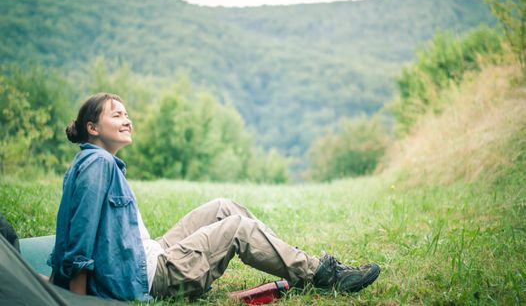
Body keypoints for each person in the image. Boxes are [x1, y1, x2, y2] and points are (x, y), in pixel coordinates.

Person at [48, 92, 380, 301]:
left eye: (126, 113)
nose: (128, 120)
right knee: (237, 228)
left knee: (224, 207)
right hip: (148, 275)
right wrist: (77, 299)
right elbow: (79, 236)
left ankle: (299, 264)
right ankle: (320, 274)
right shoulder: (97, 163)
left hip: (146, 253)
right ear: (93, 127)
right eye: (117, 115)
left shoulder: (100, 163)